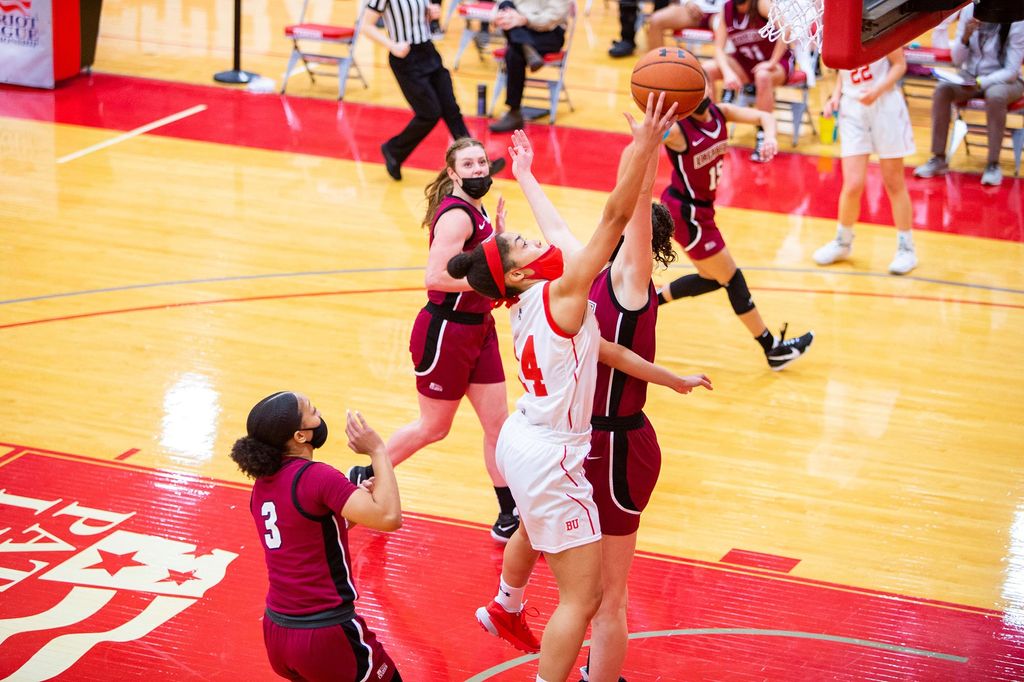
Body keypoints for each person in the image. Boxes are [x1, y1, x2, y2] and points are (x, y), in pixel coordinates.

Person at [450, 95, 689, 682]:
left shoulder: (524, 296)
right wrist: (647, 145)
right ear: (522, 272)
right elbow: (617, 216)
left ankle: (507, 602)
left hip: (522, 435)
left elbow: (601, 340)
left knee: (536, 524)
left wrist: (527, 176)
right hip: (569, 446)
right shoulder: (576, 287)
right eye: (523, 246)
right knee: (589, 600)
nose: (537, 240)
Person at [582, 141, 712, 682]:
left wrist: (650, 146)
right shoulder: (593, 271)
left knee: (607, 596)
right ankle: (511, 602)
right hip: (587, 440)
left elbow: (633, 202)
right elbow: (622, 203)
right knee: (583, 590)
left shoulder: (629, 285)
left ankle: (599, 676)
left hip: (616, 446)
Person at [348, 137, 520, 543]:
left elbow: (479, 263)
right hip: (447, 332)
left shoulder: (476, 213)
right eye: (469, 164)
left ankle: (508, 512)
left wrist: (499, 241)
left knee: (498, 424)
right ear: (452, 173)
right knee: (434, 428)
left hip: (479, 329)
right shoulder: (456, 217)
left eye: (482, 162)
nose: (479, 169)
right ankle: (368, 472)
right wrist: (492, 279)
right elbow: (435, 277)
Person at [230, 392, 403, 682]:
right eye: (312, 411)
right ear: (300, 436)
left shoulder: (261, 486)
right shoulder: (317, 476)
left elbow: (309, 534)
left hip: (277, 633)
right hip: (324, 633)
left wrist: (356, 504)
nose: (319, 413)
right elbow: (389, 518)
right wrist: (378, 452)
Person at [656, 77, 815, 371]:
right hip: (686, 212)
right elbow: (651, 132)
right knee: (732, 277)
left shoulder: (721, 112)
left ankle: (651, 301)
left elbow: (764, 115)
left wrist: (769, 137)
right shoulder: (679, 130)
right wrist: (656, 106)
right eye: (693, 85)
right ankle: (772, 349)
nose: (702, 90)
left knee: (712, 277)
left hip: (704, 210)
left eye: (702, 83)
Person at [813, 49, 918, 276]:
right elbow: (844, 67)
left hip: (885, 103)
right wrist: (836, 96)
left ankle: (906, 248)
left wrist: (878, 90)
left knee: (893, 181)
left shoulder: (879, 20)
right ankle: (843, 242)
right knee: (852, 184)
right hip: (853, 107)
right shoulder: (842, 26)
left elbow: (899, 65)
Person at [913, 5, 1024, 186]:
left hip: (1006, 81)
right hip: (971, 77)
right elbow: (957, 59)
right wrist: (965, 36)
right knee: (942, 91)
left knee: (995, 95)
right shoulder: (969, 10)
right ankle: (938, 158)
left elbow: (1011, 71)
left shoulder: (1016, 16)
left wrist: (981, 82)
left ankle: (993, 164)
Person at [362, 0, 468, 181]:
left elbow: (418, 16)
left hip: (428, 50)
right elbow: (366, 26)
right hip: (406, 57)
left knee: (450, 108)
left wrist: (431, 12)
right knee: (430, 113)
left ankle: (474, 159)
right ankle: (393, 149)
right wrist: (392, 45)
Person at [701, 0, 794, 160]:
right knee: (707, 69)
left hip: (776, 63)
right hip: (746, 63)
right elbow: (718, 48)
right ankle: (711, 127)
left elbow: (786, 29)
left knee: (762, 76)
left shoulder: (761, 4)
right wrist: (728, 72)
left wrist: (772, 62)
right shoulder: (727, 9)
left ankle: (763, 136)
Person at [488, 0, 574, 133]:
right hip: (519, 28)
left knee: (513, 52)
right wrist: (498, 18)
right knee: (506, 5)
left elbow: (553, 17)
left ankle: (514, 112)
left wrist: (524, 19)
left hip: (549, 34)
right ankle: (527, 49)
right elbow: (499, 6)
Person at [645, 0, 725, 52]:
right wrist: (687, 2)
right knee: (655, 20)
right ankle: (657, 67)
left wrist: (728, 10)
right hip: (692, 9)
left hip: (722, 12)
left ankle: (725, 70)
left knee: (725, 27)